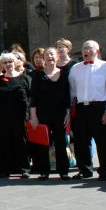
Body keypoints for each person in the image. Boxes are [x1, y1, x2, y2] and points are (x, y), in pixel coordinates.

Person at [68, 40, 106, 180]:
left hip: (99, 107)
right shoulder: (75, 68)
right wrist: (71, 110)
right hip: (81, 107)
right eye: (84, 48)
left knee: (102, 141)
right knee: (81, 141)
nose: (86, 51)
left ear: (97, 51)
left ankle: (104, 170)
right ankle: (85, 170)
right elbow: (72, 90)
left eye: (89, 48)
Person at [29, 47, 71, 179]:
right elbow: (33, 98)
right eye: (46, 55)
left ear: (57, 57)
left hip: (60, 114)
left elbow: (68, 96)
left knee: (61, 143)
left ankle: (63, 171)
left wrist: (68, 114)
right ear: (43, 59)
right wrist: (33, 117)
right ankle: (44, 171)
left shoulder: (64, 74)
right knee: (43, 144)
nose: (49, 57)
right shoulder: (38, 76)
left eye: (52, 54)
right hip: (42, 114)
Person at [0, 53, 31, 178]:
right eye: (5, 63)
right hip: (3, 117)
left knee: (21, 142)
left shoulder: (25, 79)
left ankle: (24, 169)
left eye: (10, 62)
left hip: (20, 117)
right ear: (2, 66)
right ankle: (4, 169)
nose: (8, 65)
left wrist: (32, 116)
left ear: (15, 62)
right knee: (4, 143)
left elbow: (31, 99)